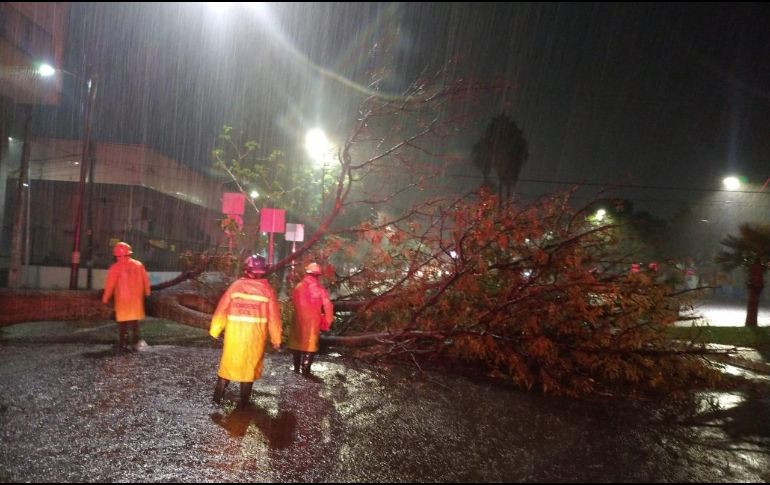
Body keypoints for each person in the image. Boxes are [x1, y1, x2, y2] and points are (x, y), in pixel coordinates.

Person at [210, 254, 282, 406]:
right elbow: (274, 318)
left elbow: (221, 309)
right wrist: (276, 340)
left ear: (246, 269)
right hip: (254, 338)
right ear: (264, 271)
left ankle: (216, 400)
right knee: (248, 370)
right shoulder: (267, 290)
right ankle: (243, 406)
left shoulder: (235, 286)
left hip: (234, 336)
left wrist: (215, 330)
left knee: (227, 367)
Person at [101, 241, 151, 352]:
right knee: (134, 322)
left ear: (116, 255)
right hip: (136, 300)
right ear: (129, 253)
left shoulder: (115, 267)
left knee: (122, 323)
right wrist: (147, 293)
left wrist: (105, 298)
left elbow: (110, 285)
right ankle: (135, 343)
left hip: (122, 300)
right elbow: (146, 281)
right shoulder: (139, 265)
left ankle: (123, 343)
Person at [289, 262, 334, 376]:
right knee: (310, 345)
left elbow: (293, 302)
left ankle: (296, 369)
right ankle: (306, 370)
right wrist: (327, 322)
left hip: (298, 319)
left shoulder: (298, 287)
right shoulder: (319, 289)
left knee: (297, 343)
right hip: (313, 321)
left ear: (307, 273)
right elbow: (328, 306)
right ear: (318, 275)